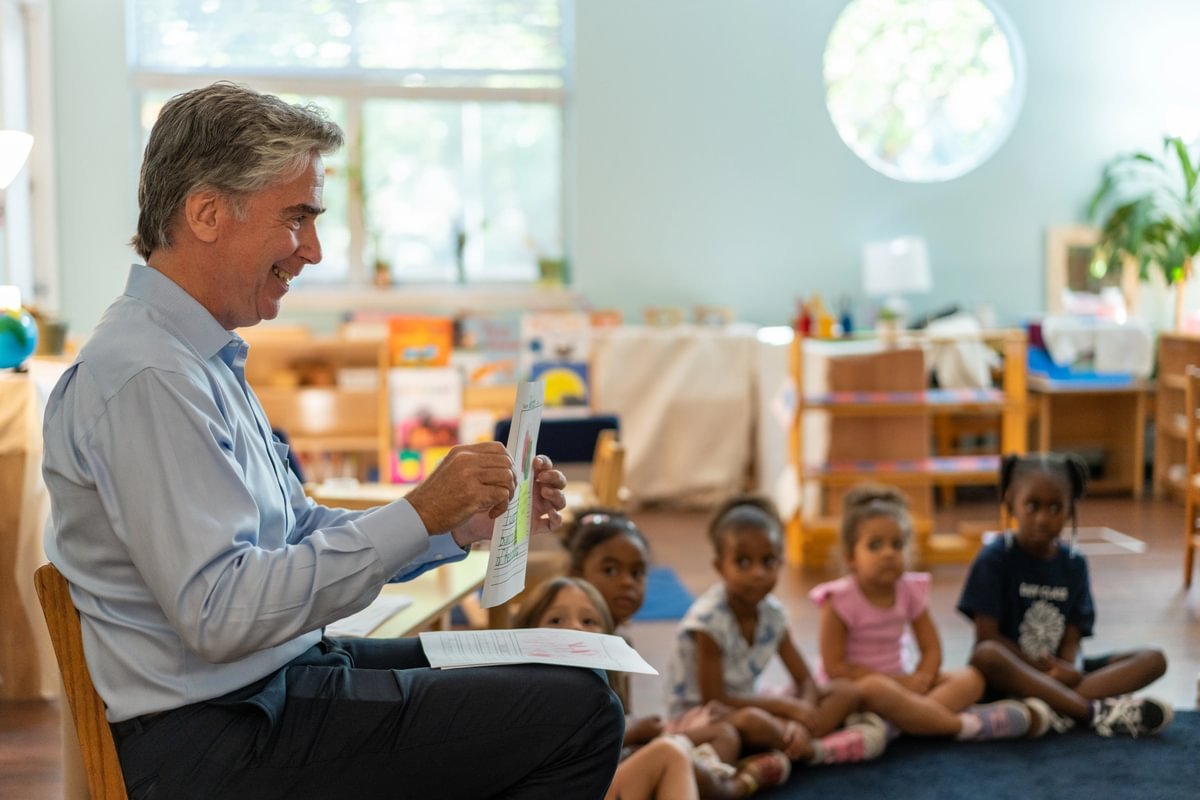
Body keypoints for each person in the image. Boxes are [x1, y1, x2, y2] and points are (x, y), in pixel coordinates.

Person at [41, 81, 623, 799]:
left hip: (266, 687)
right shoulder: (147, 377)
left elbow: (294, 532)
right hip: (215, 740)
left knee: (562, 666)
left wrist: (451, 523)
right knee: (579, 713)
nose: (313, 250)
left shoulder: (193, 359)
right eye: (297, 218)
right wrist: (417, 512)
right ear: (207, 212)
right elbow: (221, 617)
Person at [665, 495, 889, 767]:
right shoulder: (707, 622)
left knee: (846, 692)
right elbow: (715, 699)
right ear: (720, 567)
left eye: (768, 561)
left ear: (781, 562)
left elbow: (806, 680)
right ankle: (803, 748)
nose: (758, 573)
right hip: (703, 717)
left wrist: (801, 715)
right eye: (744, 562)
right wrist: (786, 709)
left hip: (754, 705)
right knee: (753, 722)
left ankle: (793, 743)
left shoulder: (772, 615)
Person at [958, 452, 1173, 737]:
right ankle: (1091, 712)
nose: (1043, 518)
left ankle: (1051, 709)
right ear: (1011, 502)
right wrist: (1040, 671)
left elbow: (1073, 635)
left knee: (1153, 658)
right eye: (1033, 506)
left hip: (1062, 675)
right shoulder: (994, 559)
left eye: (1055, 507)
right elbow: (987, 637)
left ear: (1071, 509)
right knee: (986, 655)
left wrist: (1070, 667)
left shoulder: (1074, 563)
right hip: (1013, 674)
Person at [515, 577, 789, 799]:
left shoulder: (601, 686)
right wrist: (634, 735)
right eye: (556, 621)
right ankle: (734, 786)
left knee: (706, 740)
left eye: (589, 621)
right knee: (670, 753)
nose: (575, 629)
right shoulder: (531, 695)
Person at [811, 484, 1033, 741]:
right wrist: (897, 683)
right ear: (850, 556)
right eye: (875, 546)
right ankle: (959, 724)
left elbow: (931, 648)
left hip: (904, 686)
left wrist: (923, 677)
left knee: (971, 679)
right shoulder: (838, 599)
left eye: (897, 544)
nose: (888, 553)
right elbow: (836, 667)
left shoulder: (909, 590)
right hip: (856, 690)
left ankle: (900, 724)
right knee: (877, 689)